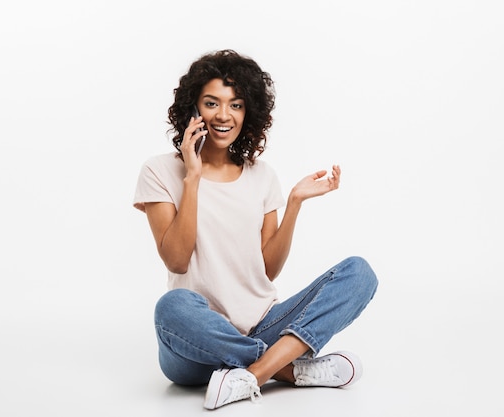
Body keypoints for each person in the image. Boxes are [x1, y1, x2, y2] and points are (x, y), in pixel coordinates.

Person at [133, 49, 378, 410]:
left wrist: (293, 204)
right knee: (172, 306)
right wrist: (194, 177)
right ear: (194, 109)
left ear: (248, 114)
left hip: (262, 323)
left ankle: (253, 373)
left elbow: (267, 271)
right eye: (211, 103)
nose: (223, 115)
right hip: (193, 345)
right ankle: (289, 371)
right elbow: (177, 261)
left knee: (360, 273)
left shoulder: (262, 176)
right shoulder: (160, 171)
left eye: (236, 105)